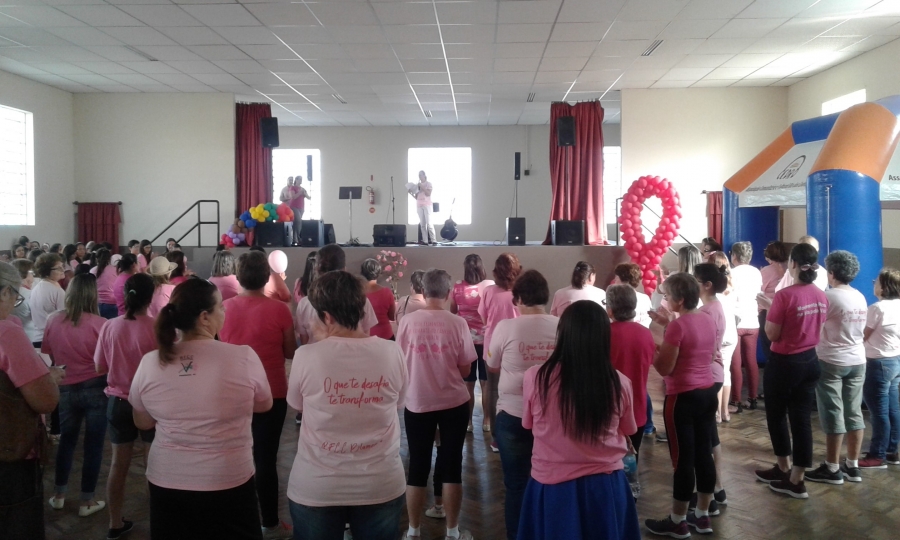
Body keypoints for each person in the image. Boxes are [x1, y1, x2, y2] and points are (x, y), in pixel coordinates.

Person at [129, 279, 273, 539]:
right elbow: (264, 404)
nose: (225, 311)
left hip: (168, 480)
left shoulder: (150, 362)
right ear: (205, 317)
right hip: (228, 479)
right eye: (221, 307)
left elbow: (143, 422)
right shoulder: (243, 357)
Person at [286, 270, 408, 540]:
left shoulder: (306, 356)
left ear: (327, 316)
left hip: (318, 484)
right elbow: (399, 403)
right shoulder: (392, 352)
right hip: (380, 482)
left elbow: (297, 404)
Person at [518, 300, 640, 540]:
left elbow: (527, 425)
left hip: (552, 485)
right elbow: (629, 429)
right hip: (604, 486)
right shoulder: (619, 382)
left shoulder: (536, 377)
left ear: (563, 334)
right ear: (604, 337)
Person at [220, 251, 297, 539]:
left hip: (232, 391)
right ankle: (270, 523)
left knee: (233, 456)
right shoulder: (279, 310)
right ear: (267, 277)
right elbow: (290, 352)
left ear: (238, 277)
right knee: (266, 460)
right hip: (272, 392)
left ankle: (235, 521)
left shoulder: (223, 308)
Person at [398, 269, 477, 540]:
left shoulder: (407, 322)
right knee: (452, 465)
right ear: (448, 293)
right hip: (453, 403)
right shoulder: (458, 323)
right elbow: (466, 369)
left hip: (418, 401)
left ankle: (413, 530)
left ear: (423, 290)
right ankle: (453, 532)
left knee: (417, 466)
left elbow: (400, 361)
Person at [486, 270, 558, 540]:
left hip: (513, 414)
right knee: (550, 480)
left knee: (516, 484)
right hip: (552, 415)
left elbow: (492, 365)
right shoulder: (561, 326)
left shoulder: (506, 327)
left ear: (517, 299)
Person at [645, 273, 718, 537]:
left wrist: (652, 348)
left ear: (680, 300)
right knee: (704, 454)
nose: (665, 300)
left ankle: (678, 520)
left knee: (682, 459)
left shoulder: (678, 326)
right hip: (707, 392)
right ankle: (702, 515)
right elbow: (706, 353)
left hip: (682, 398)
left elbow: (665, 368)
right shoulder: (707, 319)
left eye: (667, 296)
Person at [755, 243, 828, 499]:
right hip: (810, 361)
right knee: (801, 419)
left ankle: (785, 467)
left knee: (776, 416)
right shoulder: (821, 294)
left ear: (793, 264)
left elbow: (772, 334)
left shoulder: (785, 295)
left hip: (785, 362)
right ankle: (795, 477)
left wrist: (770, 309)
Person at [0, 261, 64, 540]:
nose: (15, 303)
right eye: (15, 296)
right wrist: (49, 377)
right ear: (4, 292)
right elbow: (45, 401)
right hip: (9, 452)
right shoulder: (6, 333)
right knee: (17, 524)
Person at [94, 273, 158, 539]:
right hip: (150, 404)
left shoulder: (110, 326)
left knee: (117, 466)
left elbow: (99, 367)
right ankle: (159, 521)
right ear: (151, 297)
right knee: (153, 468)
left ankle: (114, 522)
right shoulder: (157, 327)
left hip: (118, 402)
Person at [42, 274, 108, 517]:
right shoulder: (101, 324)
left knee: (67, 441)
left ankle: (59, 494)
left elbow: (50, 354)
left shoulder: (53, 319)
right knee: (94, 445)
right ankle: (86, 500)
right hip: (96, 387)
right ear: (93, 295)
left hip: (66, 386)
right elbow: (106, 360)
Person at [804, 251, 868, 484]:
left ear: (831, 273)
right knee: (854, 412)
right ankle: (852, 465)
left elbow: (813, 326)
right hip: (857, 360)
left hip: (831, 360)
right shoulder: (859, 296)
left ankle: (832, 468)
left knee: (833, 412)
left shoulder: (828, 297)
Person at [606, 284, 654, 499]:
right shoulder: (645, 334)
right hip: (638, 407)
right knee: (632, 455)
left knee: (609, 461)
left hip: (610, 408)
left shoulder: (605, 334)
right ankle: (630, 495)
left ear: (610, 309)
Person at [478, 253, 521, 452]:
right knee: (518, 389)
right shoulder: (521, 292)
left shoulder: (489, 291)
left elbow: (484, 318)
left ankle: (496, 437)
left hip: (492, 346)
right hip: (516, 347)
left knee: (493, 390)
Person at [295, 244, 378, 345]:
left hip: (316, 354)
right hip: (353, 353)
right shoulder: (360, 300)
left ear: (317, 270)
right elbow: (365, 335)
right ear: (344, 269)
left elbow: (304, 340)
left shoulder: (304, 304)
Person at [861, 268, 900, 468]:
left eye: (876, 281)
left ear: (884, 287)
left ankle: (877, 455)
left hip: (877, 363)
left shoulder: (877, 308)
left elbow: (863, 335)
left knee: (879, 412)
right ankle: (892, 450)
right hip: (895, 360)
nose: (873, 284)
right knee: (893, 409)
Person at [451, 254, 494, 433]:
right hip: (486, 340)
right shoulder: (489, 285)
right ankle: (487, 420)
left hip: (466, 341)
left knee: (468, 383)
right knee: (486, 383)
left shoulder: (457, 287)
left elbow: (453, 311)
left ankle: (468, 422)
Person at [729, 241, 763, 411]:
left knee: (736, 363)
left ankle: (736, 400)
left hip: (736, 320)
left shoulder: (732, 273)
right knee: (751, 361)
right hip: (752, 320)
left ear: (734, 256)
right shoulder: (756, 272)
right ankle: (753, 398)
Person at [756, 241, 790, 363]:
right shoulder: (790, 268)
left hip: (768, 311)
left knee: (769, 346)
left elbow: (759, 290)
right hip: (787, 311)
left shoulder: (767, 271)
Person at [30, 253, 67, 347]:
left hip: (38, 337)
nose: (63, 270)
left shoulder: (37, 287)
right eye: (58, 268)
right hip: (51, 339)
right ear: (47, 271)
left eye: (62, 266)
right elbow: (64, 318)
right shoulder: (56, 291)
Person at [361, 258, 396, 340]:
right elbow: (392, 317)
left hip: (366, 337)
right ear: (378, 273)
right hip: (386, 336)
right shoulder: (387, 292)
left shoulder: (358, 294)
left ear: (362, 273)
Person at [611, 263, 652, 327]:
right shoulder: (645, 298)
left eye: (616, 277)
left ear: (624, 280)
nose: (614, 280)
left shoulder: (616, 300)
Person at [11, 259, 38, 344]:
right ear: (25, 274)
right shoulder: (30, 294)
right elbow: (38, 318)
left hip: (13, 336)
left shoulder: (8, 292)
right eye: (32, 273)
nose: (33, 276)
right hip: (31, 337)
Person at [90, 249, 118, 319]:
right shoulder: (115, 270)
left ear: (96, 259)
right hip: (112, 303)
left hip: (95, 303)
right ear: (110, 259)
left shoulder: (92, 270)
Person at [411, 170, 435, 245]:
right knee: (422, 224)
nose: (420, 176)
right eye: (419, 175)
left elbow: (428, 194)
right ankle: (425, 241)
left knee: (429, 223)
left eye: (421, 175)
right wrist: (411, 193)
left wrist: (422, 186)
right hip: (419, 205)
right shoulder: (418, 186)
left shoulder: (428, 184)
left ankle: (433, 240)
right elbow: (417, 197)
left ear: (424, 175)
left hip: (427, 205)